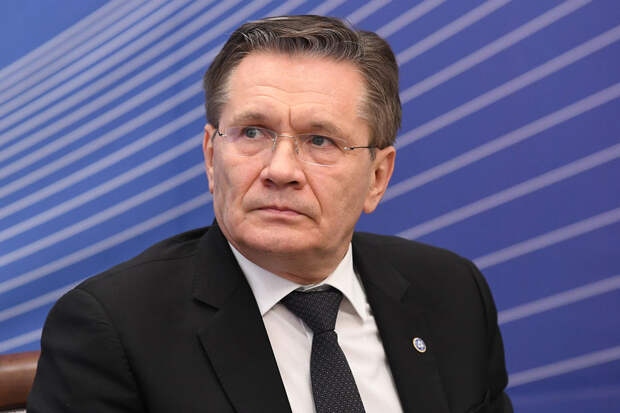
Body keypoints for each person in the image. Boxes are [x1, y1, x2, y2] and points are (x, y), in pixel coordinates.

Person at [28, 15, 512, 413]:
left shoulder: (452, 292)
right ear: (211, 157)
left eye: (320, 140)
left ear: (377, 177)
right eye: (253, 133)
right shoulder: (113, 330)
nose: (280, 170)